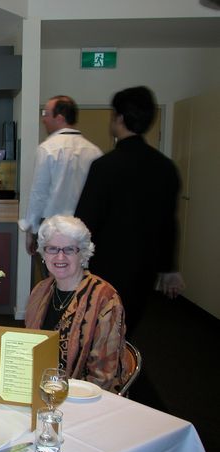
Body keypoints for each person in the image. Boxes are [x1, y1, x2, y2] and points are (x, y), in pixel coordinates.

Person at [75, 86, 183, 333]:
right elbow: (169, 223)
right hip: (146, 267)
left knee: (101, 326)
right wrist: (170, 268)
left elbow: (85, 221)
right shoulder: (165, 167)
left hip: (107, 265)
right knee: (128, 324)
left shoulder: (105, 166)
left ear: (119, 117)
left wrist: (74, 260)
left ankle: (108, 368)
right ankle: (125, 364)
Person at [25, 215, 128, 393]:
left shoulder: (104, 298)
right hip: (41, 388)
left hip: (84, 397)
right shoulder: (40, 291)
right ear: (43, 253)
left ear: (83, 254)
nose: (60, 256)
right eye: (52, 249)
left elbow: (103, 375)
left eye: (69, 249)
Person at [19, 95, 103, 256]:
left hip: (53, 228)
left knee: (54, 275)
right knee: (81, 276)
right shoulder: (94, 151)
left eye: (46, 114)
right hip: (83, 229)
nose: (43, 119)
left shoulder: (47, 149)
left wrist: (30, 230)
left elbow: (39, 193)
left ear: (60, 118)